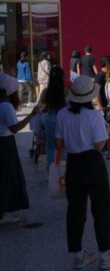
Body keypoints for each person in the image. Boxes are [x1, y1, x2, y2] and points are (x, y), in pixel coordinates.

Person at [55, 76, 110, 270]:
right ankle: (105, 255)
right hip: (92, 162)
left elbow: (59, 144)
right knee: (100, 208)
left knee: (75, 209)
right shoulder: (94, 115)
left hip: (73, 162)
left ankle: (78, 255)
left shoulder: (62, 114)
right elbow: (100, 145)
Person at [0, 74, 39, 223]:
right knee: (6, 178)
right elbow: (14, 128)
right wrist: (31, 115)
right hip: (5, 144)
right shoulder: (6, 106)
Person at [40, 66, 68, 167]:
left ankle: (52, 173)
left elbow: (41, 107)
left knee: (50, 148)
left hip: (50, 119)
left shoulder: (46, 91)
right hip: (65, 120)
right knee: (64, 147)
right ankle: (63, 174)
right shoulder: (66, 91)